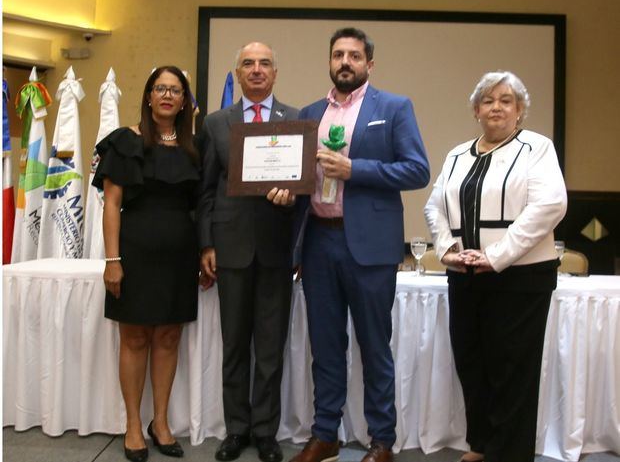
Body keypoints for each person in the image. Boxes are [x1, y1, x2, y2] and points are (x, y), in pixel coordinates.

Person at [289, 28, 430, 462]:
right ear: (329, 63)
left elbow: (416, 170)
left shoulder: (393, 108)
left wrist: (355, 168)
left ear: (369, 63)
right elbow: (294, 177)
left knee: (374, 346)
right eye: (337, 55)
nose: (344, 61)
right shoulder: (310, 113)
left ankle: (381, 441)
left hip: (369, 247)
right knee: (325, 347)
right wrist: (281, 188)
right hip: (318, 242)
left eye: (354, 55)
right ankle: (325, 435)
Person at [424, 71, 567, 462]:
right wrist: (447, 249)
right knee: (472, 364)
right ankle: (482, 444)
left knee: (511, 371)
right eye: (488, 100)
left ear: (520, 111)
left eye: (506, 100)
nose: (497, 107)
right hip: (465, 275)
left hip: (520, 279)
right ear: (475, 110)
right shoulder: (456, 154)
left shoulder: (537, 148)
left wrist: (498, 255)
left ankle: (509, 454)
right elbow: (434, 206)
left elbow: (549, 206)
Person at [196, 42, 298, 462]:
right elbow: (204, 190)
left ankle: (266, 431)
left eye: (265, 64)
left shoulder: (295, 120)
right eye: (248, 64)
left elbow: (305, 187)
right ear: (237, 73)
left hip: (276, 250)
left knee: (271, 349)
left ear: (276, 72)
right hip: (231, 249)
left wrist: (293, 196)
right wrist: (206, 242)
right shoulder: (217, 122)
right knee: (235, 346)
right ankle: (236, 429)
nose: (257, 70)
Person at [93, 66, 201, 462]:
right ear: (149, 96)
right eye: (160, 88)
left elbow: (199, 205)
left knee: (169, 337)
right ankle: (134, 426)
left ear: (185, 100)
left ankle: (160, 422)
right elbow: (112, 205)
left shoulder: (194, 146)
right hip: (133, 255)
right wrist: (112, 260)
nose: (168, 95)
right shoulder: (126, 141)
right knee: (135, 338)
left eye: (175, 90)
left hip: (179, 256)